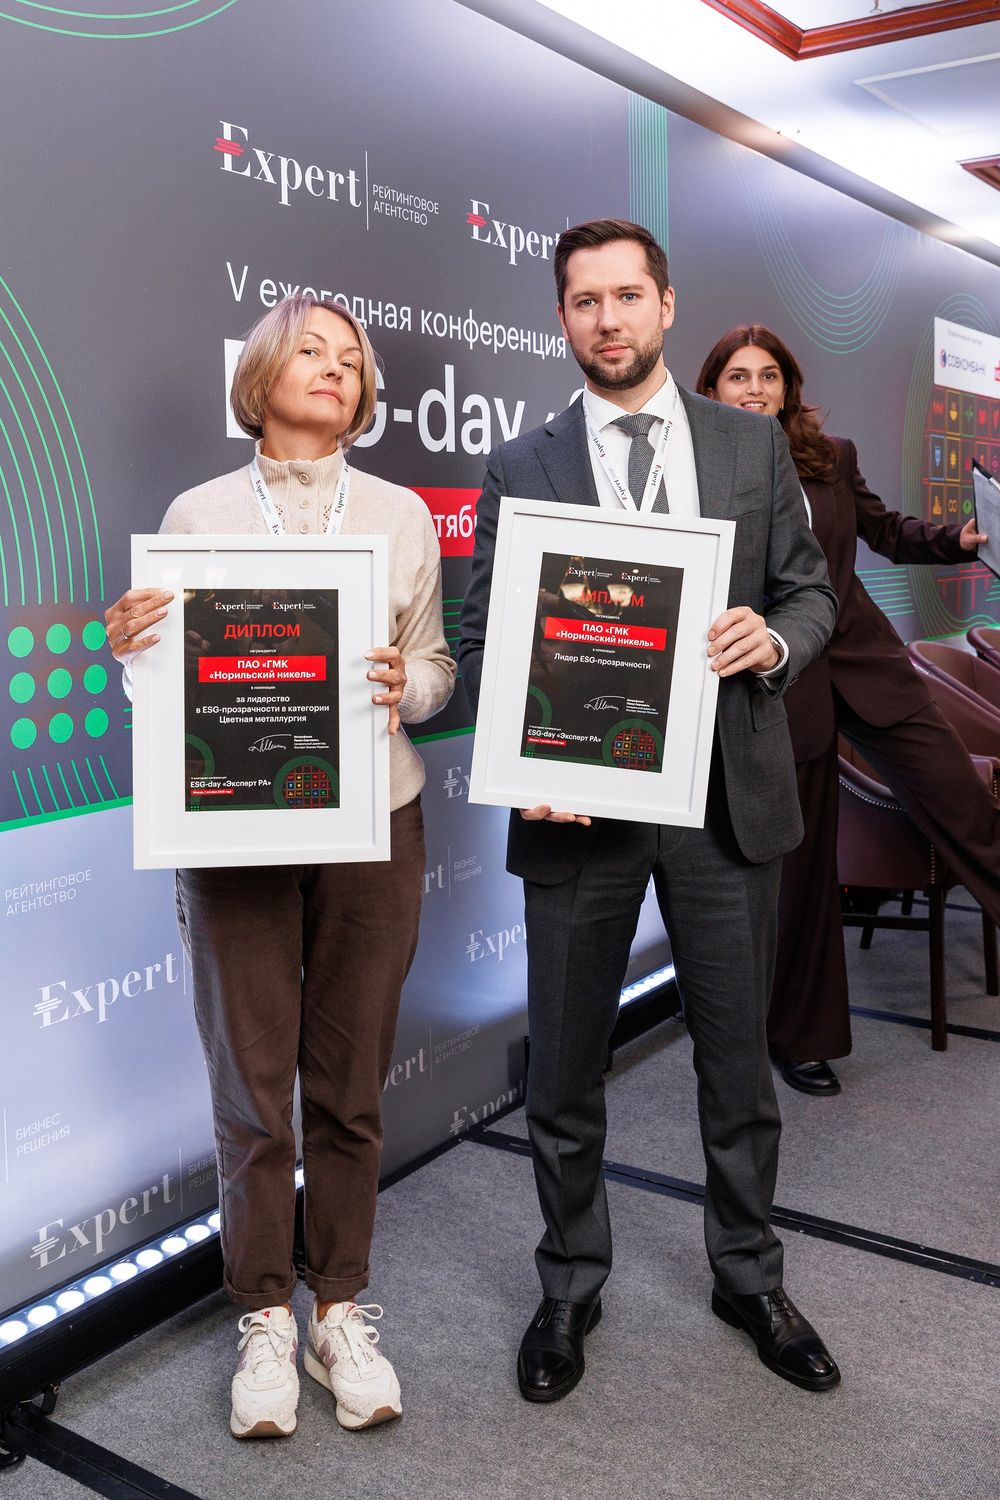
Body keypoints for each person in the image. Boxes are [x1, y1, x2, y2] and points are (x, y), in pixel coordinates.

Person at [458, 220, 840, 1402]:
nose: (607, 319)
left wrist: (772, 639)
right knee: (566, 1070)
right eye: (585, 301)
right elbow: (483, 643)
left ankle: (748, 1275)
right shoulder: (520, 465)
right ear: (561, 318)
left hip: (724, 799)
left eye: (627, 296)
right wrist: (522, 751)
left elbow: (811, 592)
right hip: (577, 805)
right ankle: (570, 1283)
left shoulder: (748, 443)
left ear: (666, 305)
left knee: (736, 1069)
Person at [105, 295, 455, 1438]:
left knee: (348, 1091)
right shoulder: (196, 514)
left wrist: (410, 686)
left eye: (352, 359)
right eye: (313, 350)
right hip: (234, 832)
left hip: (374, 823)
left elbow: (434, 665)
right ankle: (263, 1315)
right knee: (254, 1099)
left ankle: (337, 1310)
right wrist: (132, 653)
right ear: (260, 377)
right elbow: (165, 692)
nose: (336, 368)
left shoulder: (400, 513)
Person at [697, 325, 998, 1096]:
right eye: (739, 376)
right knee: (802, 873)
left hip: (864, 661)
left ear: (788, 387)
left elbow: (885, 530)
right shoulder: (694, 467)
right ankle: (800, 1037)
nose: (755, 389)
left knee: (963, 799)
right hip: (775, 682)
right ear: (713, 389)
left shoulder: (832, 456)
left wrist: (958, 539)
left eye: (769, 375)